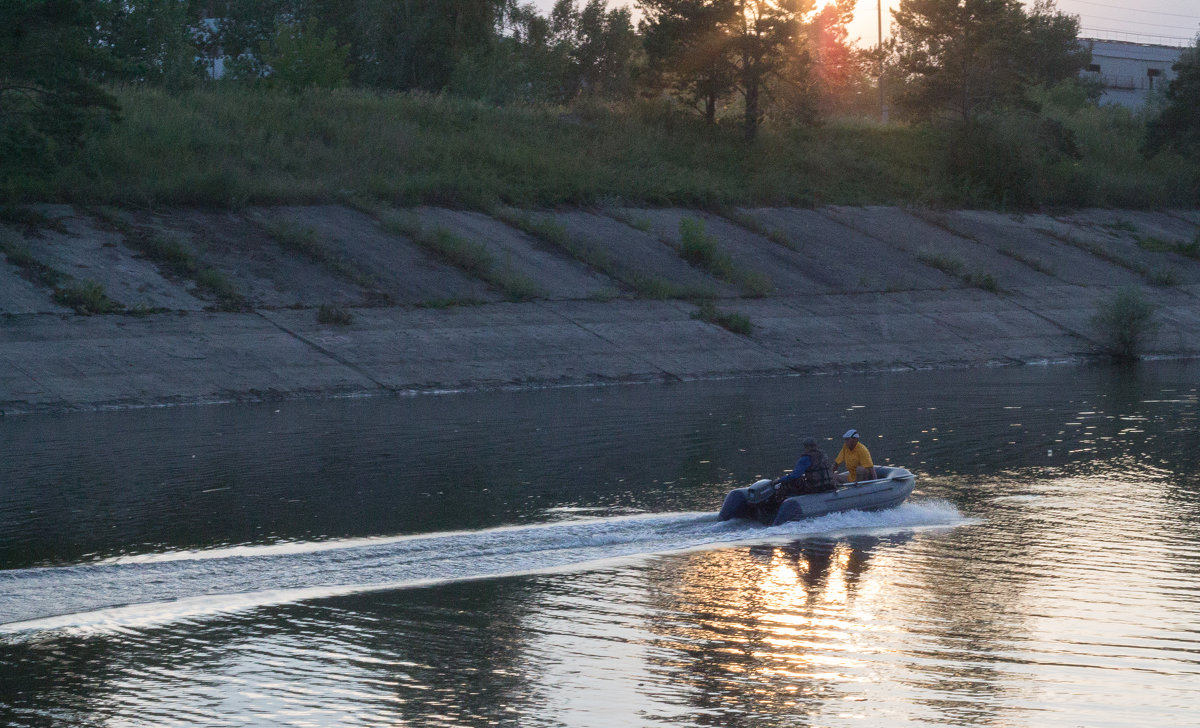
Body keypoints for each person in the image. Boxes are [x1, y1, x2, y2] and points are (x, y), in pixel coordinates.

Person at [772, 436, 837, 502]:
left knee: (786, 484)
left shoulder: (806, 458)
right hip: (828, 485)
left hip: (815, 487)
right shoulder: (823, 455)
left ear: (806, 447)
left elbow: (795, 475)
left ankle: (781, 503)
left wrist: (778, 480)